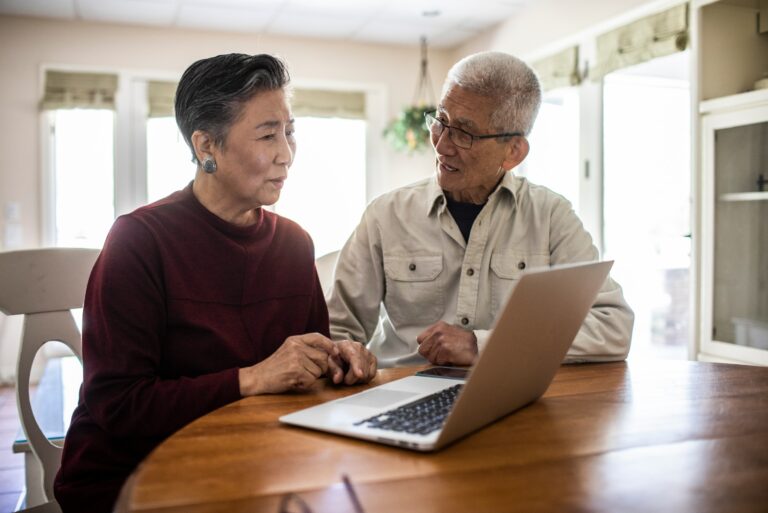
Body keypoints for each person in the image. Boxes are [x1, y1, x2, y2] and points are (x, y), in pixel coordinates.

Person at [54, 53, 377, 513]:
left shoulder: (293, 243)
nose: (286, 153)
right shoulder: (140, 241)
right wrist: (252, 378)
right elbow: (118, 404)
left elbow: (305, 364)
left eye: (290, 132)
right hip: (133, 476)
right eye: (268, 134)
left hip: (250, 460)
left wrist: (337, 359)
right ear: (207, 146)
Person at [328, 51, 634, 367]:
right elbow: (336, 331)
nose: (441, 145)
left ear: (513, 151)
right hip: (400, 391)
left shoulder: (552, 217)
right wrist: (345, 357)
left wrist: (482, 346)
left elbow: (613, 327)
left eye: (463, 133)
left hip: (507, 396)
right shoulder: (385, 215)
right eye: (441, 121)